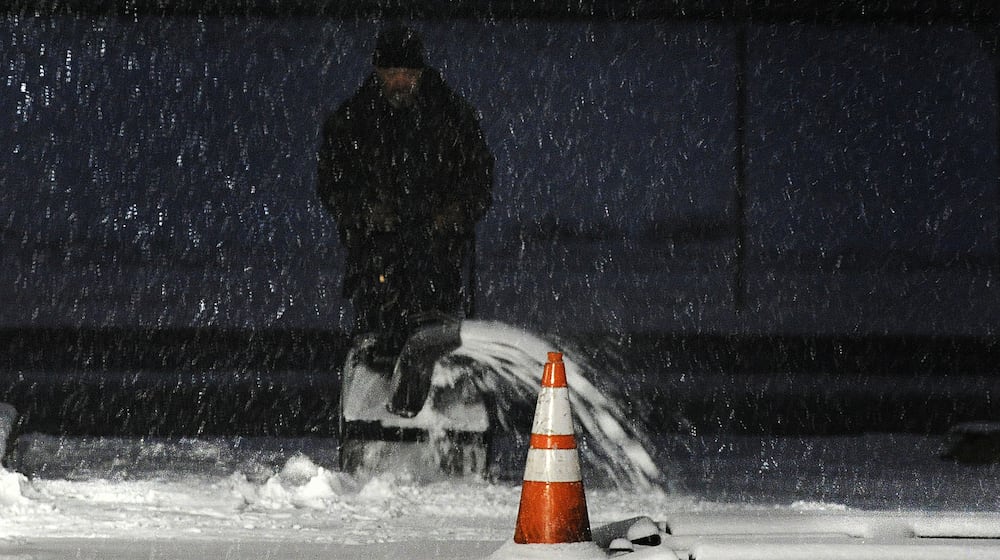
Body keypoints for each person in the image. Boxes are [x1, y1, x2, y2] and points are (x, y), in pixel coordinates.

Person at [316, 23, 493, 413]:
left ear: (422, 73)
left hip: (439, 257)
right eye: (393, 73)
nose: (401, 81)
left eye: (409, 74)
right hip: (376, 257)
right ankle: (377, 410)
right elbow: (331, 184)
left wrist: (454, 213)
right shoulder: (352, 121)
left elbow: (480, 182)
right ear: (378, 72)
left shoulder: (453, 118)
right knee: (378, 341)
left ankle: (436, 409)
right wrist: (365, 211)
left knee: (438, 337)